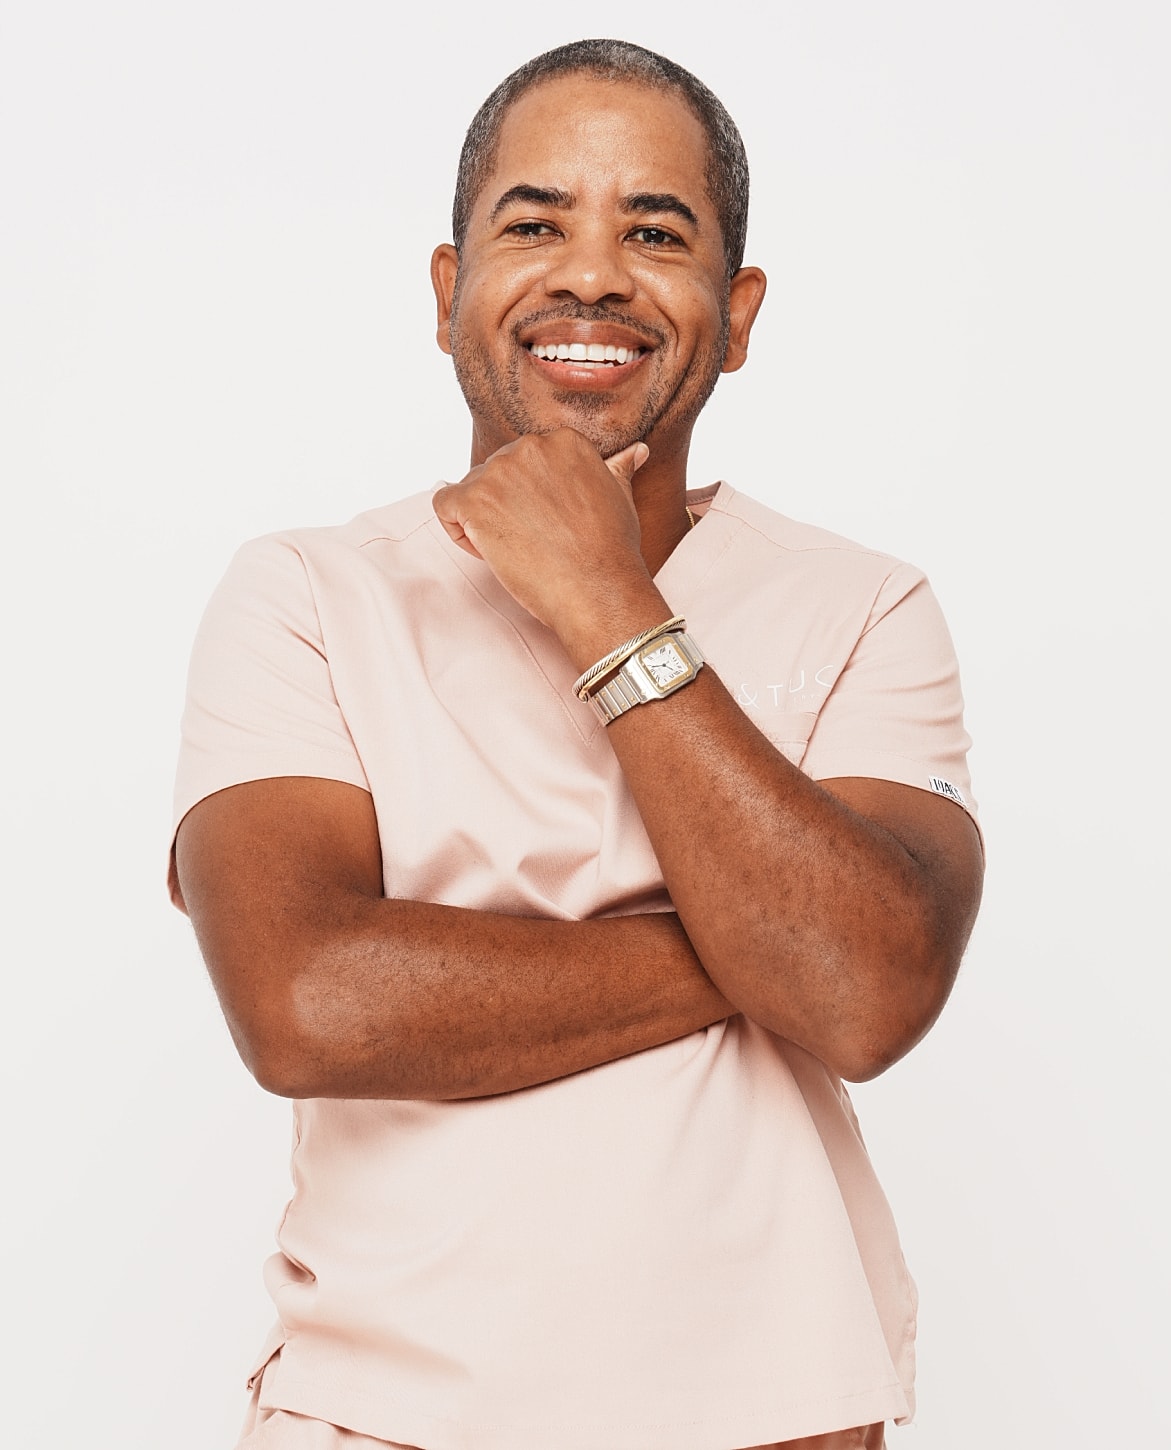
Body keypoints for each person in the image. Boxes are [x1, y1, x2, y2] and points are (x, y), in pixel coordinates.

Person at [170, 37, 983, 1450]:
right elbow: (303, 999)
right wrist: (749, 948)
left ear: (736, 316)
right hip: (381, 1421)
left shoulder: (866, 606)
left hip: (775, 1419)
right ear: (447, 293)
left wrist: (607, 602)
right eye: (535, 223)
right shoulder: (304, 592)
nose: (592, 274)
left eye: (653, 232)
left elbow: (863, 992)